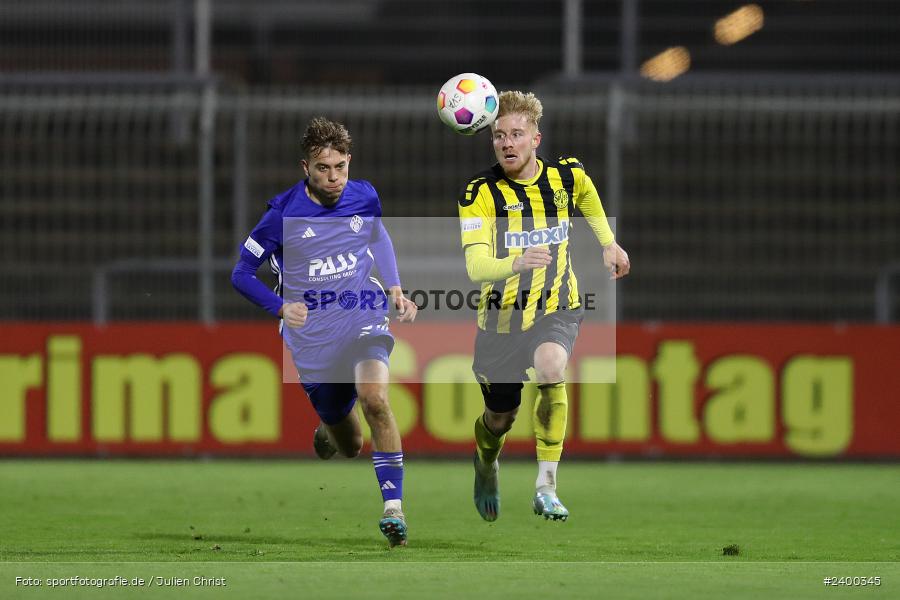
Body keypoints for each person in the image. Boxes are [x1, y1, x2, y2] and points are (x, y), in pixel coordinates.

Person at [232, 117, 417, 547]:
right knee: (349, 445)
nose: (334, 178)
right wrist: (280, 307)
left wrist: (394, 287)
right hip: (312, 338)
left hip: (361, 311)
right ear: (306, 168)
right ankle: (328, 428)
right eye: (323, 168)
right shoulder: (281, 215)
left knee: (375, 398)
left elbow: (378, 237)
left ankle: (394, 509)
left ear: (349, 161)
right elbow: (241, 274)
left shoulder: (364, 195)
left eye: (340, 167)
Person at [457, 91, 630, 523]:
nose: (507, 143)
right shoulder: (479, 193)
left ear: (536, 138)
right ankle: (485, 463)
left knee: (552, 368)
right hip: (501, 321)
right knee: (500, 418)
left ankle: (546, 486)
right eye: (499, 136)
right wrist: (515, 262)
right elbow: (476, 267)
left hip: (557, 306)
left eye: (516, 134)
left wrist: (608, 243)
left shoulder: (565, 176)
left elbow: (586, 195)